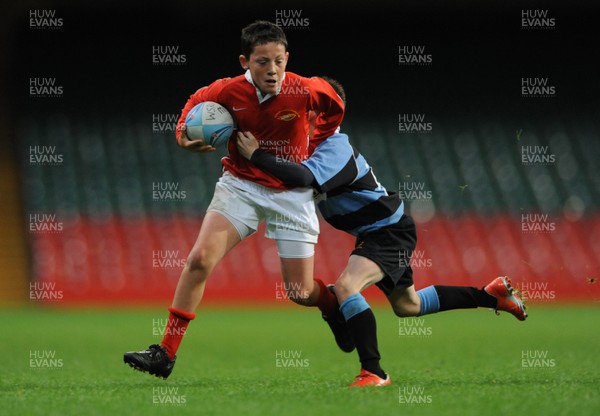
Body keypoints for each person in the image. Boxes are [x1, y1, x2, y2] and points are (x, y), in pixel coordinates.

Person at [236, 76, 527, 387]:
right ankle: (491, 295)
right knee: (408, 305)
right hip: (379, 231)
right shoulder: (306, 149)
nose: (295, 112)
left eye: (305, 107)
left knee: (347, 286)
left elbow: (304, 179)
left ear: (322, 114)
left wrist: (258, 156)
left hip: (387, 231)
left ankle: (374, 372)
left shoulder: (335, 148)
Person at [123, 21, 345, 379]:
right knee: (198, 260)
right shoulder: (227, 91)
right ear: (245, 61)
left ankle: (332, 307)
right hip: (241, 185)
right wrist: (183, 136)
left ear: (287, 58)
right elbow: (193, 106)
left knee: (300, 292)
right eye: (261, 62)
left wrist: (319, 145)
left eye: (278, 61)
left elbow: (335, 106)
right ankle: (165, 353)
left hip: (290, 192)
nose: (272, 70)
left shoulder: (305, 90)